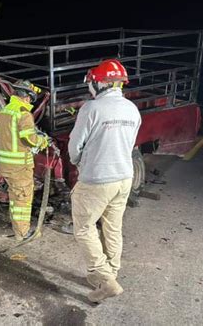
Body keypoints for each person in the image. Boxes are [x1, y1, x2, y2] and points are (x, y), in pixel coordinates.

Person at [68, 59, 141, 302]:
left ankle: (105, 280)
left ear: (100, 83)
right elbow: (128, 144)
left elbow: (75, 146)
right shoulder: (132, 109)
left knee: (85, 228)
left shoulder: (91, 108)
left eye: (92, 83)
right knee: (113, 226)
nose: (91, 88)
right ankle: (111, 272)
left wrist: (78, 160)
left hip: (96, 180)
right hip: (123, 177)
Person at [0, 79, 49, 241]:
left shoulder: (5, 111)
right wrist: (43, 141)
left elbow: (8, 135)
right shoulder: (23, 113)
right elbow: (30, 139)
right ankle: (22, 234)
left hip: (5, 165)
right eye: (30, 98)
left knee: (14, 198)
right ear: (26, 96)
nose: (29, 101)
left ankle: (17, 228)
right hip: (19, 166)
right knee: (22, 200)